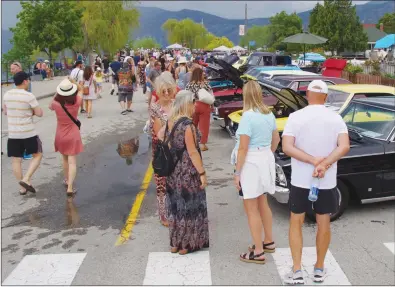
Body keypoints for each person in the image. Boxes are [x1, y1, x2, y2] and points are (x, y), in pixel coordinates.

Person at [282, 80, 350, 284]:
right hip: (326, 181)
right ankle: (319, 268)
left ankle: (296, 270)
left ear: (307, 95)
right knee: (324, 222)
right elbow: (344, 146)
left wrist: (312, 161)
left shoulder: (295, 117)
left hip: (301, 180)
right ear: (326, 97)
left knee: (296, 222)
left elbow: (287, 147)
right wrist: (325, 163)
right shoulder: (336, 118)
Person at [231, 81, 280, 264]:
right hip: (265, 157)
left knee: (251, 207)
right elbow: (276, 138)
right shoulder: (269, 114)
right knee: (263, 202)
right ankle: (268, 241)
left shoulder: (247, 117)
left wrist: (237, 173)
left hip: (250, 162)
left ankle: (258, 251)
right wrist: (268, 154)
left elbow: (243, 148)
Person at [162, 90, 209, 255]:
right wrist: (202, 173)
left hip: (173, 171)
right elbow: (193, 152)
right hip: (187, 172)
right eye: (193, 103)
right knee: (189, 207)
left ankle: (175, 243)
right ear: (186, 104)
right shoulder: (188, 125)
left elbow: (164, 140)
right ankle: (187, 245)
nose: (195, 106)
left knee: (175, 206)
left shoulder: (170, 121)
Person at [3, 72, 43, 195]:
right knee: (38, 155)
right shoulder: (29, 96)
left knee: (16, 160)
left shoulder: (7, 94)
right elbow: (39, 113)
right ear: (25, 81)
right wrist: (30, 112)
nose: (29, 82)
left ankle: (23, 188)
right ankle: (26, 179)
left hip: (13, 133)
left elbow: (5, 112)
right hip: (28, 132)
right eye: (28, 80)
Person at [149, 77, 177, 226]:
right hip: (162, 151)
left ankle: (175, 210)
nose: (166, 93)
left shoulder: (176, 105)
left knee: (175, 182)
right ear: (159, 92)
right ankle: (163, 215)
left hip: (177, 150)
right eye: (163, 91)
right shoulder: (154, 107)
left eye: (169, 90)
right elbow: (159, 132)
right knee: (161, 183)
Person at [48, 79, 83, 197]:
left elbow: (50, 105)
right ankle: (70, 187)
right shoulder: (77, 101)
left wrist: (58, 91)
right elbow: (81, 89)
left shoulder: (56, 103)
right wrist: (73, 81)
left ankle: (67, 180)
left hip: (60, 134)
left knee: (64, 159)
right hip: (73, 134)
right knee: (72, 162)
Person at [185, 67, 213, 151]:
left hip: (193, 105)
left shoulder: (189, 84)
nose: (204, 74)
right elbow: (211, 94)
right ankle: (202, 144)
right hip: (204, 105)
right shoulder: (205, 84)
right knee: (204, 126)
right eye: (202, 73)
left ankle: (192, 141)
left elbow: (186, 95)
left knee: (192, 124)